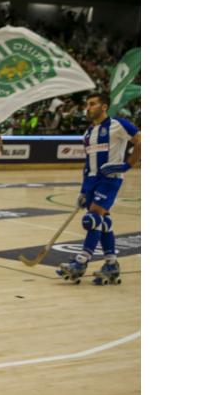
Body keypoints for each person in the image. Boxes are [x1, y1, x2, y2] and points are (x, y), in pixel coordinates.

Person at [57, 92, 141, 285]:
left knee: (92, 219)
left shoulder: (118, 124)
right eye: (87, 104)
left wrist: (127, 165)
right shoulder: (87, 134)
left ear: (104, 107)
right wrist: (83, 190)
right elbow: (88, 164)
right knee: (102, 222)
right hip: (92, 181)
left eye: (93, 104)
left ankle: (80, 262)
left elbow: (140, 141)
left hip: (110, 179)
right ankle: (111, 264)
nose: (88, 107)